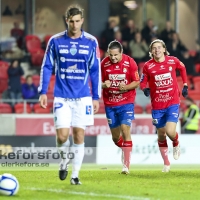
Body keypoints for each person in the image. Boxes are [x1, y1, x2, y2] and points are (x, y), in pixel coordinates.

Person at [38, 4, 101, 185]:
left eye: (77, 21)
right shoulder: (55, 41)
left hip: (83, 97)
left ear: (82, 21)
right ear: (67, 21)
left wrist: (96, 97)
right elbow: (47, 66)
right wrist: (43, 91)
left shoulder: (91, 42)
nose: (74, 25)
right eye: (71, 21)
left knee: (79, 135)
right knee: (62, 136)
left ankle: (75, 175)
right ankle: (64, 161)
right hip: (62, 96)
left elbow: (95, 70)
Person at [140, 39, 188, 172]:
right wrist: (145, 89)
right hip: (157, 105)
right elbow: (142, 82)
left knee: (170, 131)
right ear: (151, 51)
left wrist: (185, 84)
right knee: (161, 135)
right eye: (154, 48)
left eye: (159, 47)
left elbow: (183, 68)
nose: (157, 50)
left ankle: (176, 142)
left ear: (164, 49)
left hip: (172, 102)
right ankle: (166, 163)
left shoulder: (173, 61)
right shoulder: (148, 66)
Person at [101, 40, 140, 174]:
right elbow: (96, 82)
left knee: (125, 129)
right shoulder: (104, 63)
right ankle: (125, 148)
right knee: (116, 138)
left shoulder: (130, 62)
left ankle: (126, 166)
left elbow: (136, 82)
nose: (113, 58)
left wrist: (126, 87)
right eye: (111, 55)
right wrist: (103, 85)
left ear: (121, 53)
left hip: (126, 102)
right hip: (110, 104)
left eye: (116, 55)